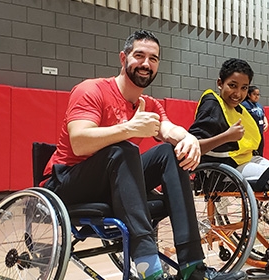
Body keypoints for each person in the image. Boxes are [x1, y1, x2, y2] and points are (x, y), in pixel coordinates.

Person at [41, 30, 247, 280]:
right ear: (123, 58)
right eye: (139, 56)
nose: (146, 64)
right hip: (67, 183)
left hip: (113, 182)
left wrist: (189, 139)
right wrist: (128, 128)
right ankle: (149, 270)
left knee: (170, 152)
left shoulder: (148, 103)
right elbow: (79, 143)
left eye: (153, 58)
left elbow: (169, 130)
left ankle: (194, 269)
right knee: (124, 149)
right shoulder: (91, 90)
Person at [188, 58, 269, 262]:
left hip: (247, 162)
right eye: (232, 86)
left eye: (244, 88)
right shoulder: (212, 104)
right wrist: (226, 136)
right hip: (222, 170)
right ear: (219, 83)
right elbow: (194, 144)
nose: (238, 93)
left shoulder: (242, 111)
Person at [241, 86, 268, 156]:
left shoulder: (259, 105)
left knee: (260, 152)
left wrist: (266, 122)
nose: (256, 96)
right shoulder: (244, 105)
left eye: (258, 95)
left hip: (260, 133)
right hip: (250, 134)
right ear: (249, 95)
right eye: (254, 94)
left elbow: (263, 115)